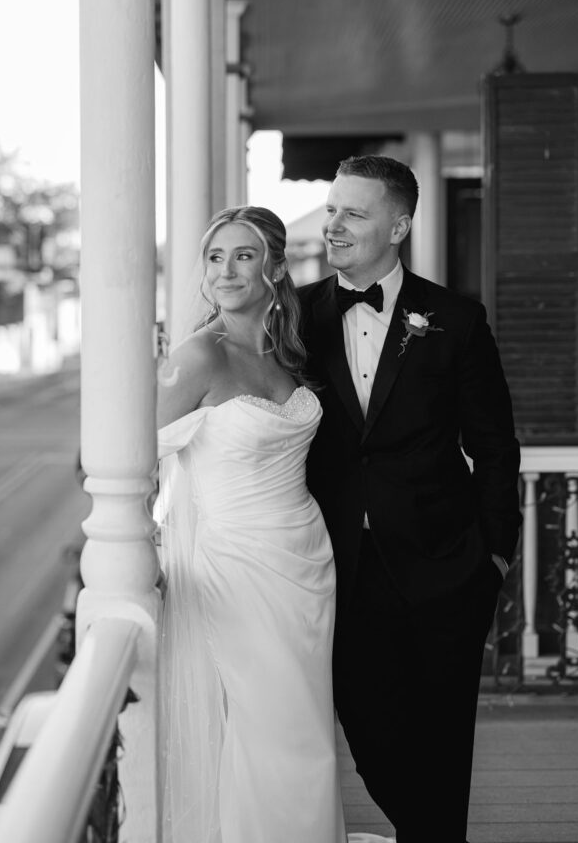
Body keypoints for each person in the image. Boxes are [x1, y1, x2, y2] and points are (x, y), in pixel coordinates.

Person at [298, 155, 522, 843]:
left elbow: (494, 445)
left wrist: (494, 557)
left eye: (353, 213)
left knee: (444, 737)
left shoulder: (455, 318)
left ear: (397, 226)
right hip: (338, 565)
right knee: (369, 730)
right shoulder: (295, 315)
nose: (332, 225)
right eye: (332, 209)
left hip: (445, 563)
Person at [155, 206, 382, 843]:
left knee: (308, 723)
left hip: (307, 558)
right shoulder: (198, 358)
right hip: (236, 565)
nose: (226, 270)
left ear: (276, 266)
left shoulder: (291, 353)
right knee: (271, 723)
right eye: (215, 257)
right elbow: (117, 457)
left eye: (244, 255)